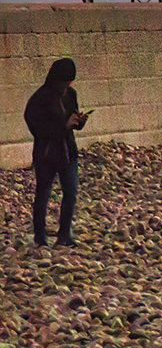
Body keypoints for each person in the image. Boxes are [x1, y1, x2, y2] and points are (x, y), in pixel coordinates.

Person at [24, 58, 88, 247]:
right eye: (64, 82)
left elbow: (71, 119)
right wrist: (63, 126)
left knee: (71, 192)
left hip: (68, 151)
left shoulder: (70, 94)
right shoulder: (40, 99)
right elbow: (38, 127)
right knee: (43, 193)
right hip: (47, 154)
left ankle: (64, 235)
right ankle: (40, 237)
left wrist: (78, 122)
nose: (67, 86)